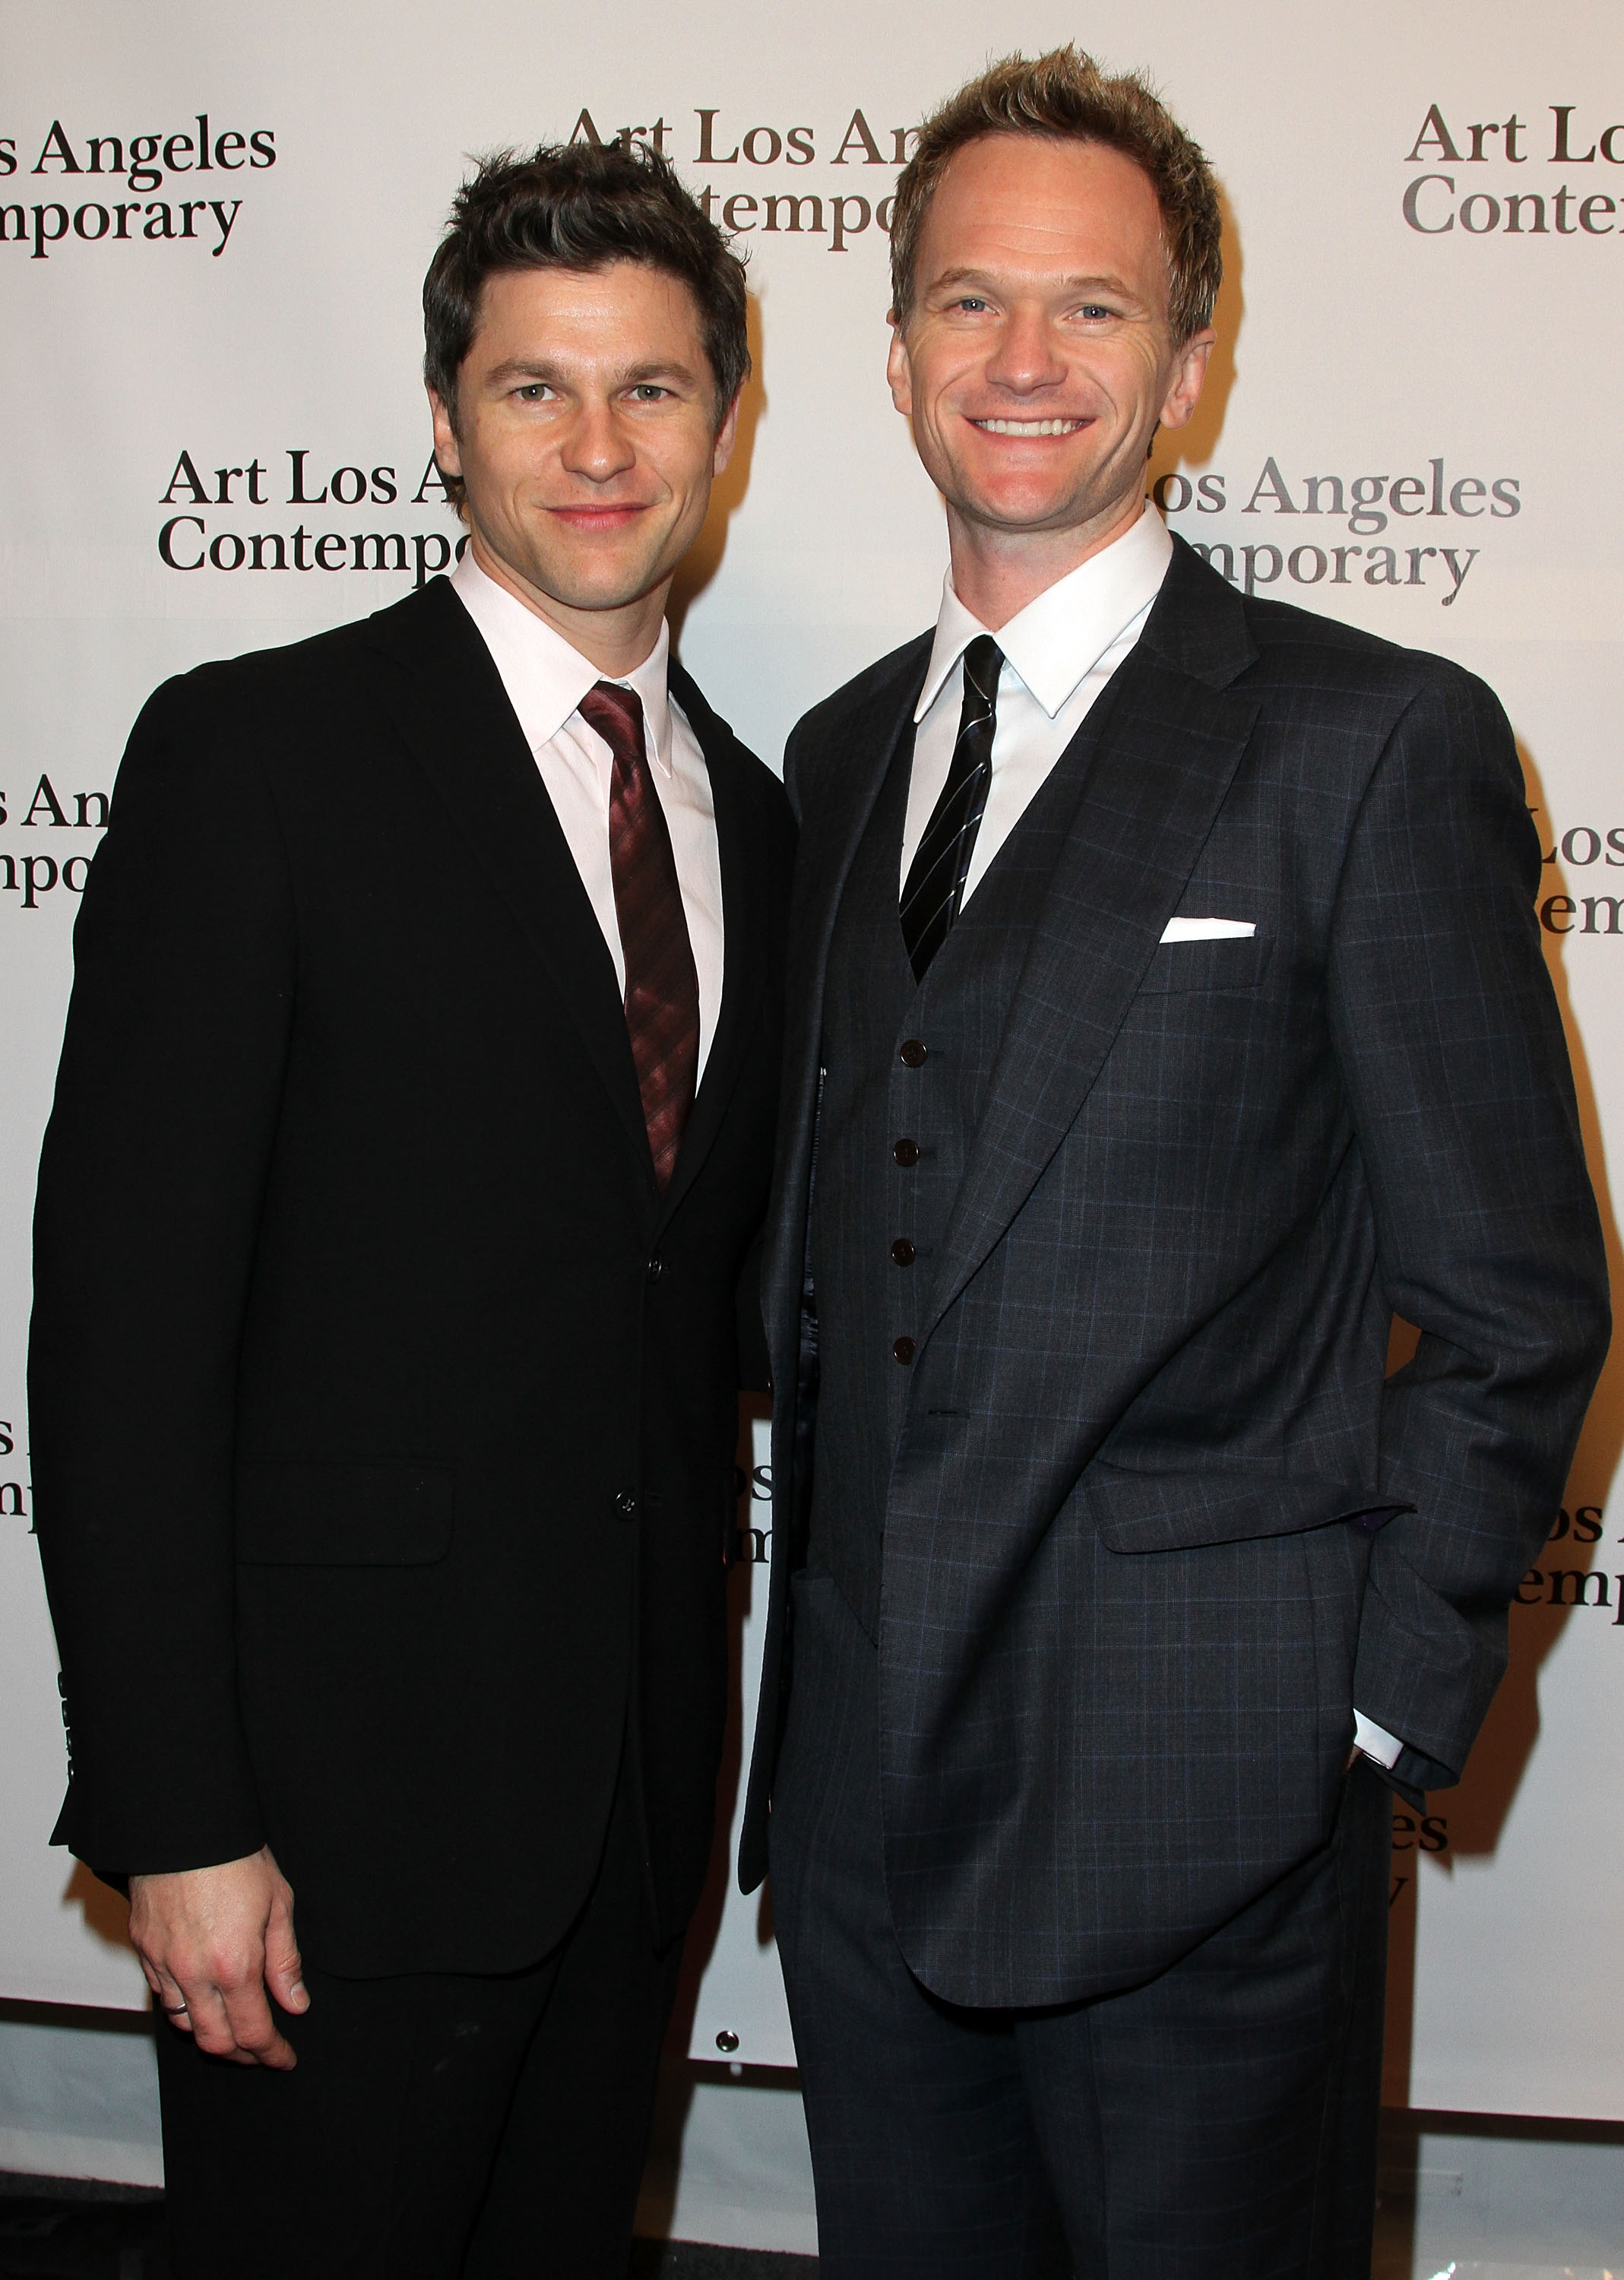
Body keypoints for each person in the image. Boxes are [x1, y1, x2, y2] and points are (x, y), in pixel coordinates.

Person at [739, 46, 1608, 2279]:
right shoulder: (836, 757)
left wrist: (1353, 1714)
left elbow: (1518, 1296)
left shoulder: (1364, 740)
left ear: (1190, 362)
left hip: (1204, 1826)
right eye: (964, 302)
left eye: (1093, 309)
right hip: (855, 1828)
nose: (1021, 361)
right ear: (900, 346)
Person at [30, 139, 792, 2279]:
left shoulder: (767, 823)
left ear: (724, 425)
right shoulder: (253, 758)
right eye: (533, 387)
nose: (596, 442)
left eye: (649, 387)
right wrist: (177, 1816)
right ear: (443, 418)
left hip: (632, 1820)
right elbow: (120, 1333)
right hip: (322, 1841)